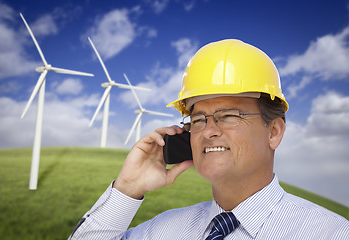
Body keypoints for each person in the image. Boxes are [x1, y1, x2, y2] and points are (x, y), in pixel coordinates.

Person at [69, 39, 349, 240]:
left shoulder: (331, 233)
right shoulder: (162, 231)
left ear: (274, 132)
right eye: (198, 119)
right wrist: (127, 189)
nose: (208, 130)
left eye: (229, 116)